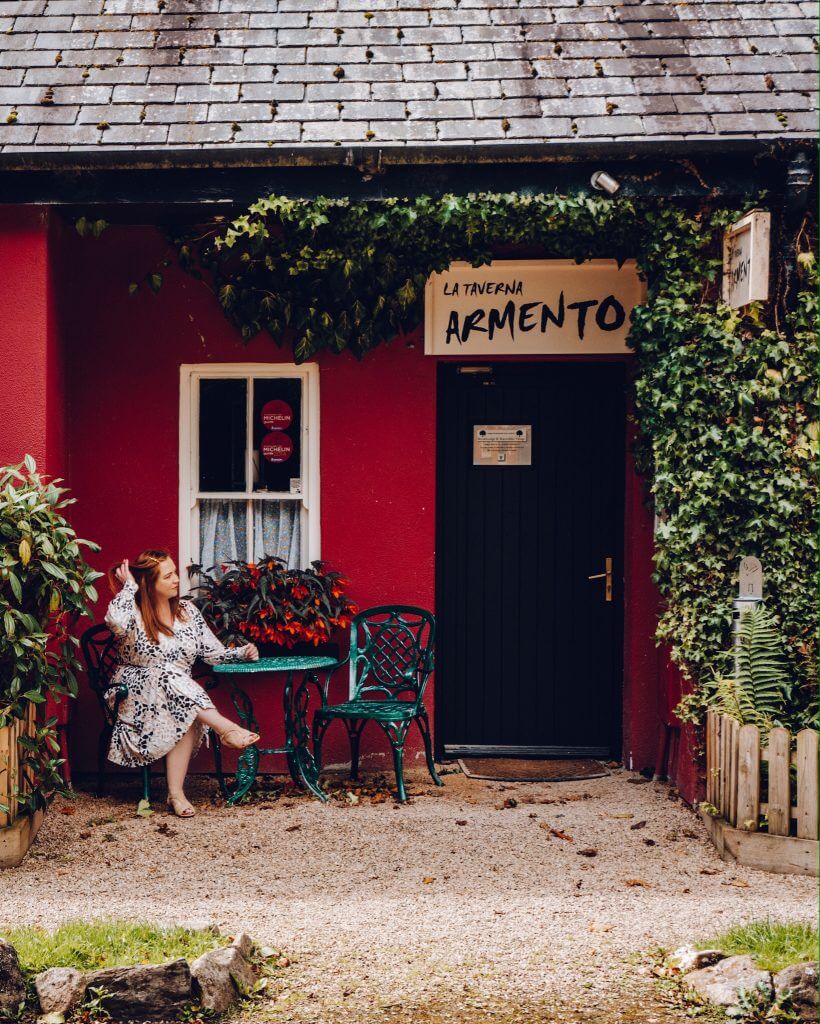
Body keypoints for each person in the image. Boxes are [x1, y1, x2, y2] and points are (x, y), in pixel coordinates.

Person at [104, 548, 260, 818]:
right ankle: (227, 728)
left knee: (184, 706)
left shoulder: (187, 611)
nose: (177, 579)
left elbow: (212, 653)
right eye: (168, 576)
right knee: (166, 673)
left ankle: (176, 794)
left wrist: (240, 652)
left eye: (175, 572)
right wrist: (129, 586)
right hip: (133, 693)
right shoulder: (133, 610)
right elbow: (114, 622)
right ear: (149, 583)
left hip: (176, 694)